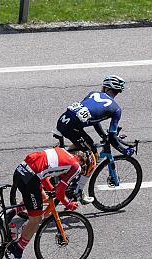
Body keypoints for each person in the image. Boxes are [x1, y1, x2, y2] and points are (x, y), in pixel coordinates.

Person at [52, 74, 131, 204]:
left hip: (63, 121)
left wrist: (101, 135)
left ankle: (64, 170)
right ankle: (78, 191)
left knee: (81, 147)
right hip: (73, 127)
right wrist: (125, 150)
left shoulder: (93, 93)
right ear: (117, 92)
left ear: (105, 88)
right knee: (92, 156)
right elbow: (112, 136)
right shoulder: (116, 109)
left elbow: (94, 119)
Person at [7, 148, 90, 259]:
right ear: (83, 163)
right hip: (31, 178)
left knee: (41, 198)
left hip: (21, 169)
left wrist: (51, 189)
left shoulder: (62, 151)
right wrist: (68, 204)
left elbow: (44, 173)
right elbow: (60, 191)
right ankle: (17, 252)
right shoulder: (76, 167)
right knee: (37, 218)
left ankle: (9, 215)